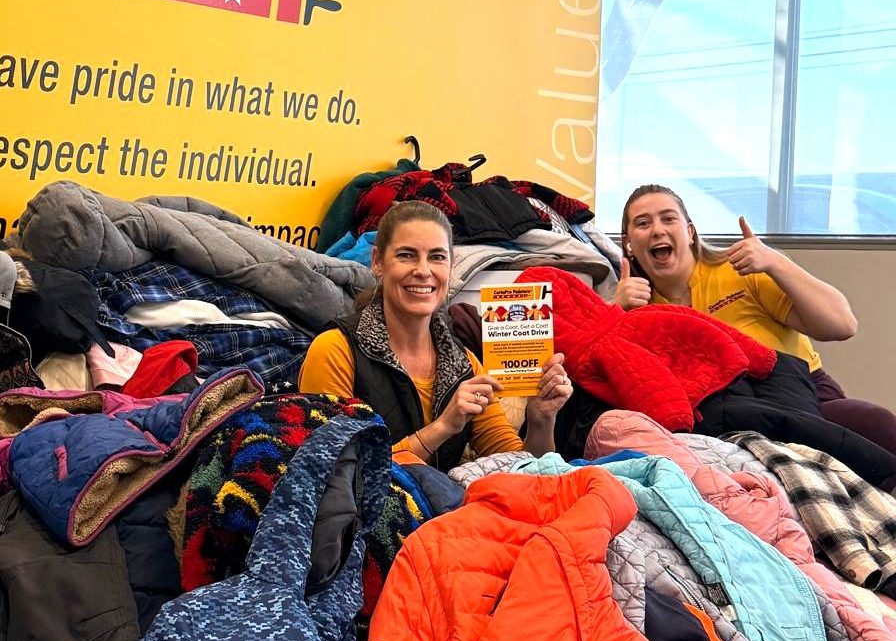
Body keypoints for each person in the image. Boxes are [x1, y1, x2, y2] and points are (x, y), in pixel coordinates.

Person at [617, 183, 896, 455]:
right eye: (643, 223)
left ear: (689, 232)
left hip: (801, 396)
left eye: (668, 219)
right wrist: (616, 312)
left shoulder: (741, 271)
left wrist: (776, 262)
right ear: (628, 243)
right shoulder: (635, 311)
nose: (657, 230)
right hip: (722, 419)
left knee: (877, 426)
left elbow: (843, 324)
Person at [299, 200, 571, 470]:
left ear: (451, 267)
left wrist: (541, 421)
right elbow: (329, 472)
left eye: (437, 257)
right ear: (377, 262)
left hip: (444, 511)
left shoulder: (462, 362)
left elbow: (522, 471)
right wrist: (442, 428)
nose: (423, 270)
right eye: (406, 255)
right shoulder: (335, 351)